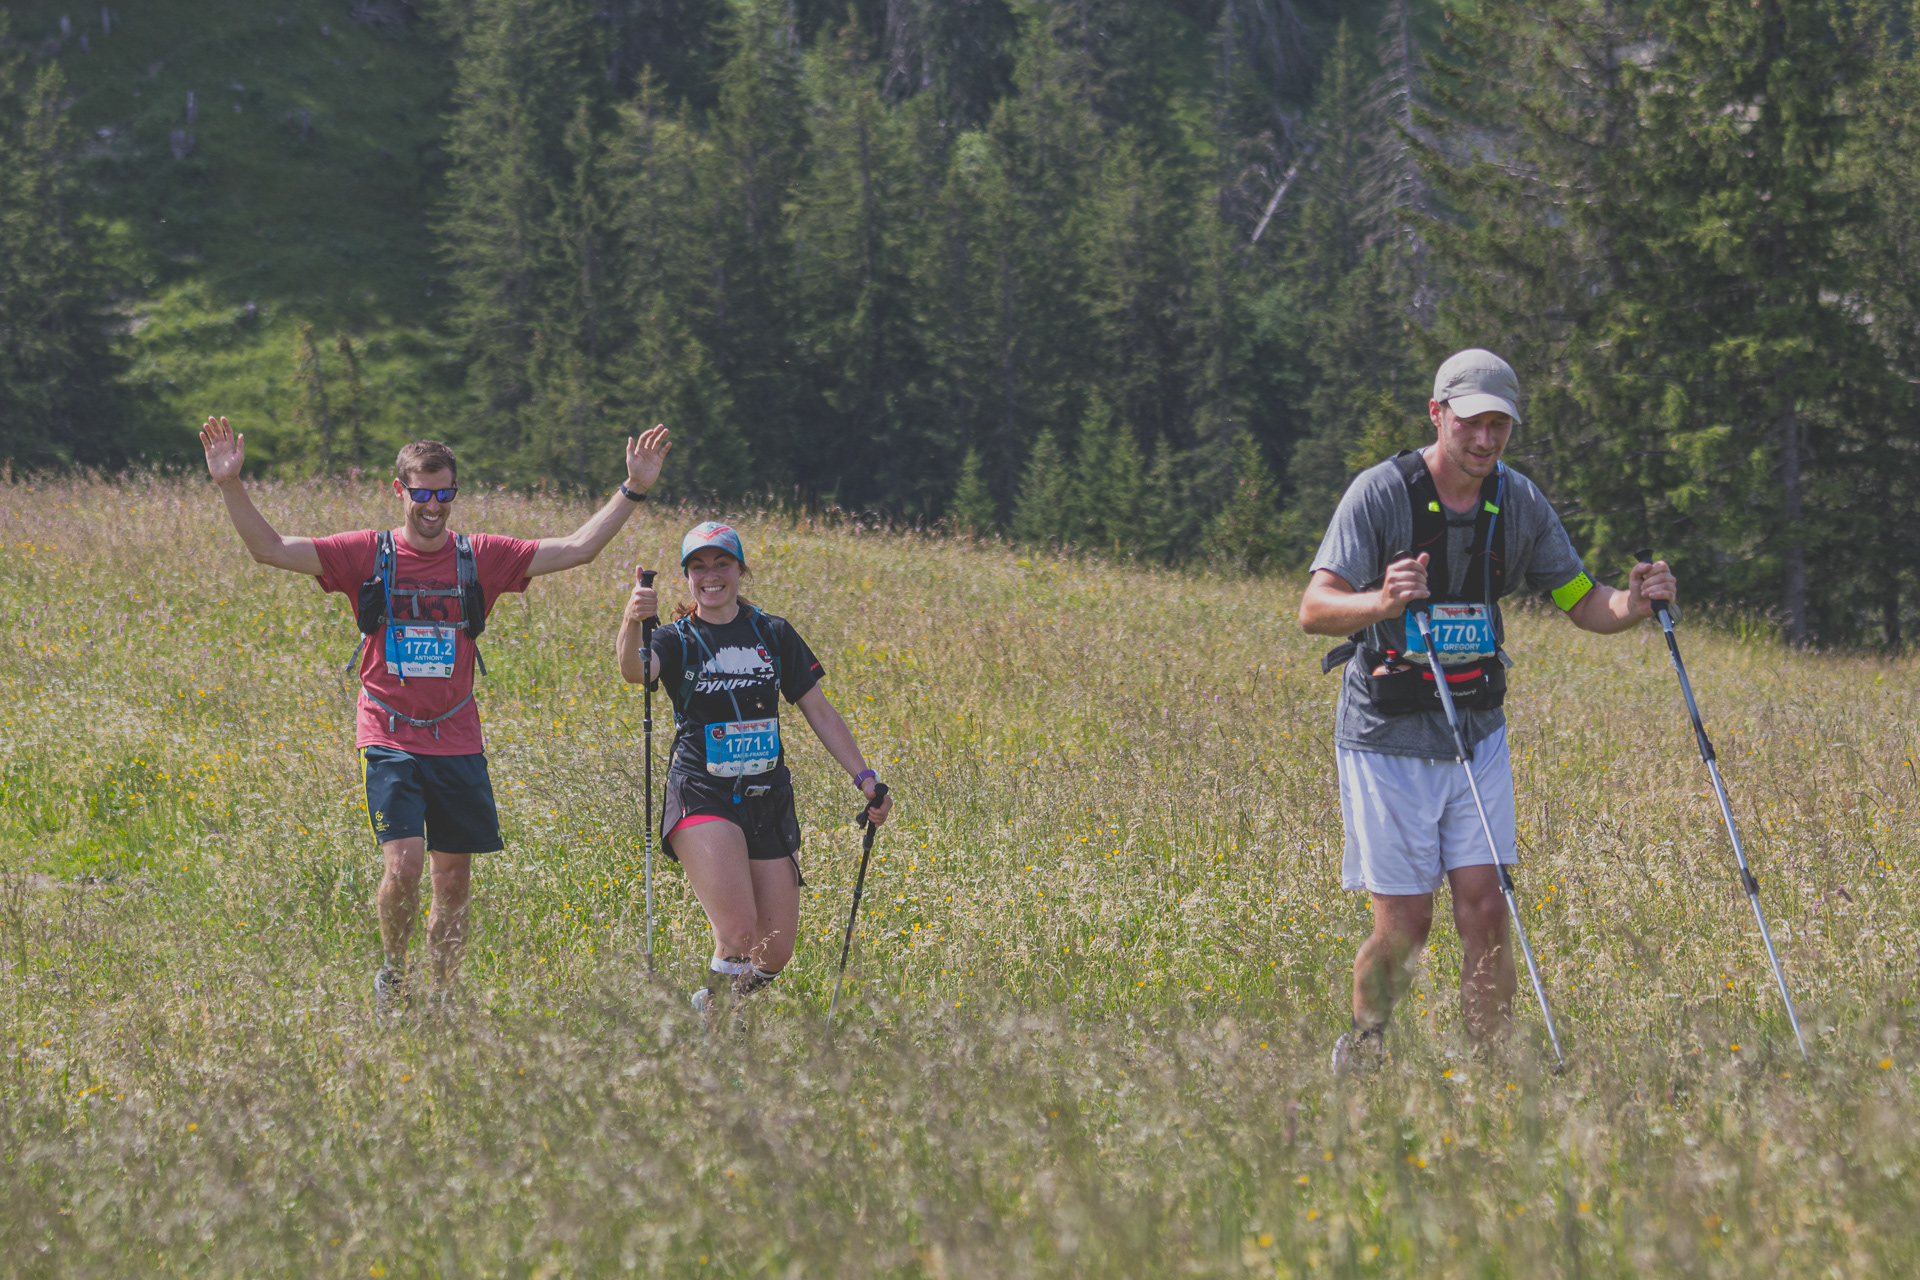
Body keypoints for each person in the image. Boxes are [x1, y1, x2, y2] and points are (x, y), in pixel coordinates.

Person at [198, 415, 672, 1017]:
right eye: (422, 494)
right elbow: (268, 549)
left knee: (452, 879)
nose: (433, 507)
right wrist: (229, 482)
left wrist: (633, 489)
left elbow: (579, 548)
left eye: (445, 494)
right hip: (387, 732)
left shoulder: (481, 557)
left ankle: (444, 995)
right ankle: (395, 975)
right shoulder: (366, 552)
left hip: (457, 735)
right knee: (404, 866)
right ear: (399, 490)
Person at [1297, 350, 1678, 1069]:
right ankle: (1367, 1047)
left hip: (1476, 730)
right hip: (1386, 734)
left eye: (1499, 424)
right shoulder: (1381, 493)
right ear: (1437, 414)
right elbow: (1314, 609)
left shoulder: (1519, 501)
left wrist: (1635, 602)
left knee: (1486, 908)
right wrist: (1381, 602)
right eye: (1471, 422)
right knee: (1407, 925)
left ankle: (1494, 1069)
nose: (1484, 439)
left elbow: (1583, 601)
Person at [616, 521, 893, 1015]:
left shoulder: (772, 633)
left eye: (722, 563)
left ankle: (710, 1006)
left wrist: (864, 778)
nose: (711, 575)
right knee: (740, 933)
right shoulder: (676, 639)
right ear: (687, 576)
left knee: (774, 951)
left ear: (740, 570)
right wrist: (632, 619)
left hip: (768, 797)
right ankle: (720, 1035)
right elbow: (636, 671)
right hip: (702, 792)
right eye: (699, 567)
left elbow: (819, 710)